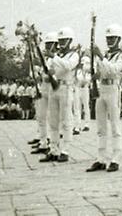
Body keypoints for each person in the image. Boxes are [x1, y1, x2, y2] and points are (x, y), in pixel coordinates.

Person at [87, 23, 122, 172]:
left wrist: (100, 56)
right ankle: (101, 158)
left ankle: (115, 158)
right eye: (108, 38)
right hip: (101, 89)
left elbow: (113, 70)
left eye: (112, 38)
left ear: (118, 39)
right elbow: (102, 71)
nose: (109, 41)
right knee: (101, 127)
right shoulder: (107, 55)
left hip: (113, 89)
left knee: (115, 125)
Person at [41, 27, 79, 163]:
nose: (62, 43)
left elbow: (68, 66)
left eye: (64, 40)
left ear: (70, 41)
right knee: (53, 121)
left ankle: (65, 150)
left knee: (66, 120)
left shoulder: (74, 55)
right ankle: (53, 149)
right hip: (54, 87)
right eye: (60, 40)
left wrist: (54, 57)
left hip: (66, 87)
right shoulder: (57, 56)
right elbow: (50, 70)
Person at [31, 32, 54, 155]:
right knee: (41, 116)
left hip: (52, 88)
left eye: (50, 43)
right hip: (44, 87)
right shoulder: (46, 58)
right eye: (47, 43)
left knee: (51, 117)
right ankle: (43, 142)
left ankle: (51, 141)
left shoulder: (56, 58)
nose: (48, 46)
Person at [75, 56, 91, 133]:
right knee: (77, 107)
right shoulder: (78, 71)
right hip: (78, 88)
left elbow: (87, 80)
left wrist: (85, 74)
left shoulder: (88, 72)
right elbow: (77, 79)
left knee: (86, 106)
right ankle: (77, 125)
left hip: (85, 89)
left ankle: (87, 124)